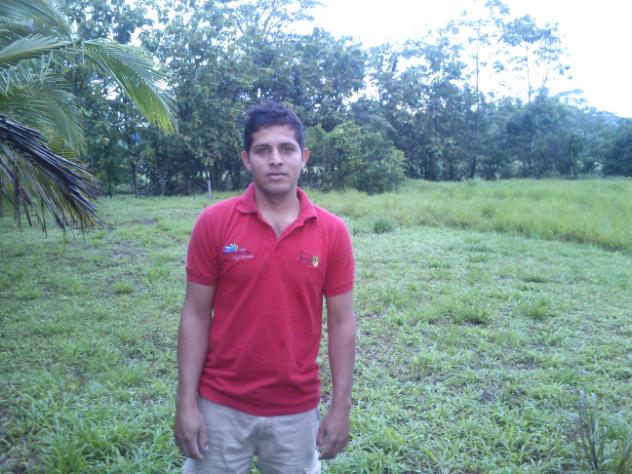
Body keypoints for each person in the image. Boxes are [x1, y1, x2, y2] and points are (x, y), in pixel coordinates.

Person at [174, 102, 356, 474]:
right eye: (263, 150)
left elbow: (342, 323)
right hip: (220, 404)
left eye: (287, 149)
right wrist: (186, 403)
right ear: (246, 159)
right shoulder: (214, 222)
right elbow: (195, 314)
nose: (276, 159)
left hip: (296, 408)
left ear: (303, 157)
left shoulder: (332, 231)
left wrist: (341, 406)